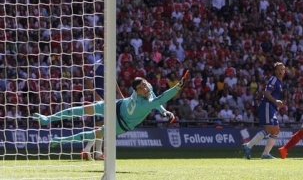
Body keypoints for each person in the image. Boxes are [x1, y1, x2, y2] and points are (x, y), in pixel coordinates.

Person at [33, 71, 189, 147]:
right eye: (141, 87)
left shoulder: (147, 96)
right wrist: (178, 86)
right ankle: (48, 119)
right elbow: (160, 99)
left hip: (121, 125)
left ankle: (61, 140)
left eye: (146, 84)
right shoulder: (144, 100)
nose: (146, 88)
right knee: (83, 109)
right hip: (116, 106)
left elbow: (157, 100)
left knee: (95, 134)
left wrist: (164, 112)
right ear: (136, 90)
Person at [82, 57, 124, 161]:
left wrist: (120, 94)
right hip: (99, 99)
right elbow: (88, 80)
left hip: (108, 99)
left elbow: (113, 80)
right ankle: (88, 150)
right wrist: (95, 94)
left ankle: (97, 153)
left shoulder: (110, 64)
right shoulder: (97, 64)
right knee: (100, 124)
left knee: (103, 125)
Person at [242, 62, 285, 159]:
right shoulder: (274, 80)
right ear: (275, 71)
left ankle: (265, 154)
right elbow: (266, 93)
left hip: (272, 108)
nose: (280, 71)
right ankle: (248, 146)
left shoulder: (280, 82)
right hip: (267, 105)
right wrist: (275, 101)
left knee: (276, 130)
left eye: (282, 69)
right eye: (278, 69)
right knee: (269, 129)